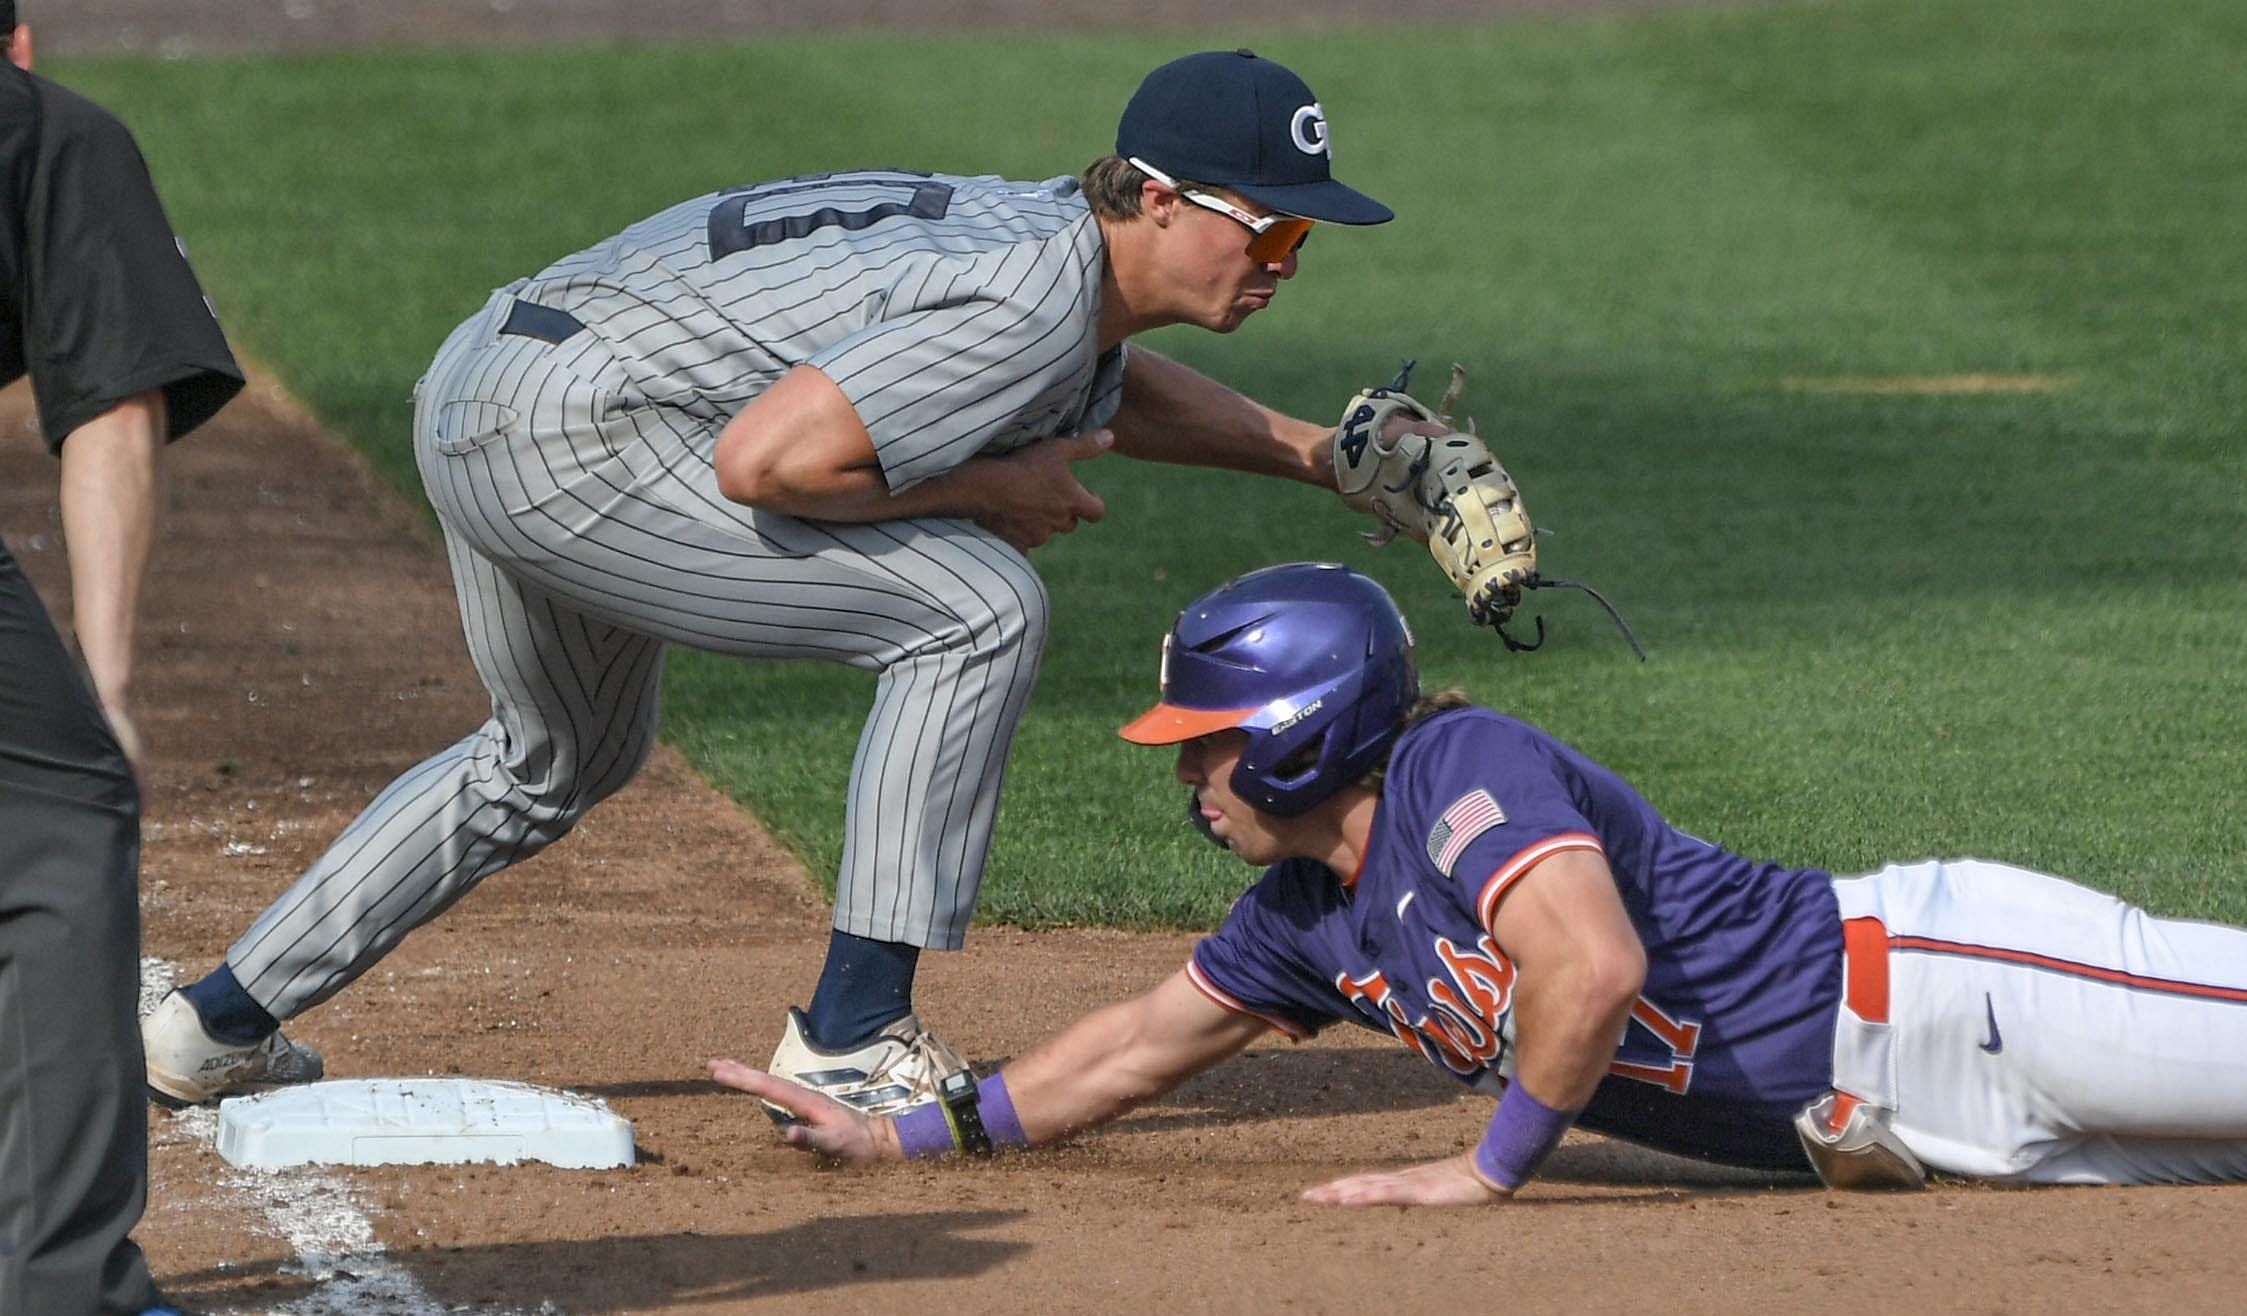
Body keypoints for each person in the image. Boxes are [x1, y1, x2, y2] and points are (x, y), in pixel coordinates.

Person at [143, 49, 1416, 1123]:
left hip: (496, 388)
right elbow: (766, 462)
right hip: (581, 437)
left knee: (551, 760)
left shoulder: (1044, 246)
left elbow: (1091, 379)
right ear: (1153, 199)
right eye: (1269, 226)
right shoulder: (1034, 297)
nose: (1287, 261)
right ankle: (857, 1032)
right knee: (977, 609)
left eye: (1302, 233)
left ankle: (215, 1024)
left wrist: (1320, 457)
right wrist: (990, 490)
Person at [709, 562, 2247, 1200]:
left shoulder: (1468, 769)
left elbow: (1580, 967)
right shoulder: (1305, 918)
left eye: (1209, 737)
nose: (1184, 768)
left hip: (1971, 990)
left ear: (1302, 736)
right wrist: (903, 1131)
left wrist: (1492, 1165)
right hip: (1941, 1128)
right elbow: (1131, 1046)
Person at [0, 4, 262, 1316]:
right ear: (21, 43)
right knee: (56, 810)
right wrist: (104, 685)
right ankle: (65, 1290)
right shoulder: (49, 131)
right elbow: (109, 408)